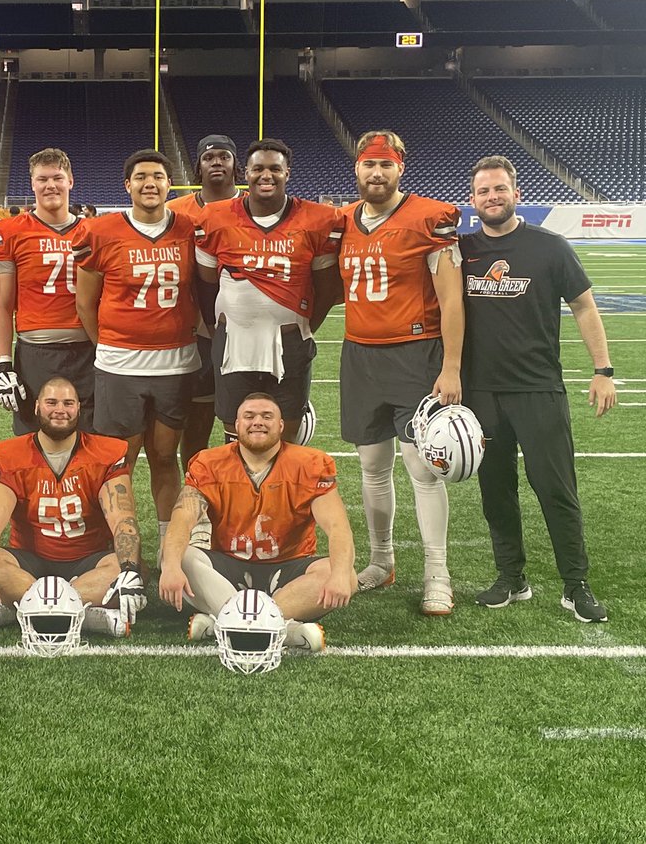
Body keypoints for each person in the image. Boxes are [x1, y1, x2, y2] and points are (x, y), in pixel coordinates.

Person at [461, 156, 616, 622]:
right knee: (496, 490)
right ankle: (512, 578)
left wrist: (602, 370)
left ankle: (575, 585)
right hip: (481, 394)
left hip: (538, 388)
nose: (492, 197)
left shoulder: (550, 247)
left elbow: (584, 307)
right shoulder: (462, 250)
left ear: (516, 194)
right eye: (484, 191)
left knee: (555, 488)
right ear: (473, 201)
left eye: (500, 189)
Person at [337, 130, 463, 615]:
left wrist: (450, 366)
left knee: (422, 468)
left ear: (400, 169)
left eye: (385, 165)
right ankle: (381, 560)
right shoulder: (344, 219)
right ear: (357, 169)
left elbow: (452, 298)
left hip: (416, 354)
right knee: (372, 468)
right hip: (361, 354)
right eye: (369, 165)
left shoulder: (429, 217)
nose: (376, 173)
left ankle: (437, 571)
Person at [73, 149, 201, 551]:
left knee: (165, 456)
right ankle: (123, 544)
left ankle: (168, 544)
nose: (150, 183)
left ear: (169, 184)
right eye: (141, 176)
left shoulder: (190, 228)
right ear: (127, 185)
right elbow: (84, 301)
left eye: (158, 176)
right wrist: (110, 344)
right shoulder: (101, 231)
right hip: (120, 365)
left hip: (176, 361)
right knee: (120, 460)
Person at [158, 393, 355, 650]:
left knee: (346, 573)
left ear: (281, 425)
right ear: (236, 425)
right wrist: (171, 566)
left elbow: (338, 526)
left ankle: (225, 621)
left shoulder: (309, 464)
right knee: (176, 556)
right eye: (249, 416)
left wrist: (339, 575)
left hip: (288, 571)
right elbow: (182, 519)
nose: (257, 422)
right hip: (230, 570)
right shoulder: (210, 463)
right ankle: (286, 630)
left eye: (267, 416)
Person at [0, 377, 145, 636]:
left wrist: (129, 569)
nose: (60, 409)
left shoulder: (106, 452)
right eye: (51, 402)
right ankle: (87, 613)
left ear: (78, 409)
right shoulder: (9, 455)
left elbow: (123, 519)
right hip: (30, 562)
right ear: (37, 407)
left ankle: (24, 608)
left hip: (89, 561)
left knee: (129, 568)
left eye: (68, 403)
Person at [197, 138, 342, 445]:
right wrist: (217, 327)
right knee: (235, 439)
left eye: (275, 168)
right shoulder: (215, 218)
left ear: (287, 173)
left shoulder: (316, 219)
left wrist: (304, 326)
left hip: (289, 341)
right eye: (258, 168)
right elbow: (206, 281)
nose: (267, 175)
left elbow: (328, 288)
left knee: (285, 438)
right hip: (233, 340)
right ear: (244, 173)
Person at [0, 148, 94, 434]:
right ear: (32, 184)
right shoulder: (10, 231)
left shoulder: (95, 231)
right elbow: (1, 303)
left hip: (89, 349)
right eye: (42, 179)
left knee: (90, 440)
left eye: (57, 178)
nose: (50, 185)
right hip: (35, 351)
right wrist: (2, 366)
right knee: (32, 439)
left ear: (71, 181)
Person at [167, 134, 241, 472]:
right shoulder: (175, 210)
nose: (217, 163)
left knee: (241, 427)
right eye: (209, 157)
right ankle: (195, 501)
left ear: (235, 164)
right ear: (198, 165)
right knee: (195, 427)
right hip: (191, 331)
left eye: (224, 157)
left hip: (242, 332)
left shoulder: (253, 206)